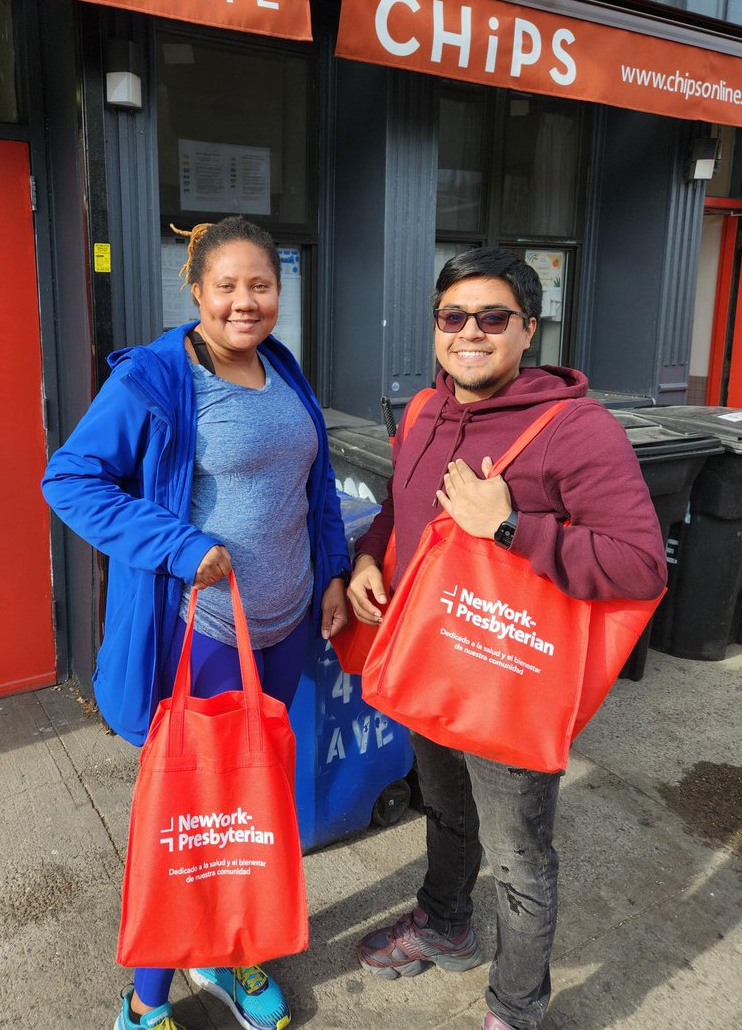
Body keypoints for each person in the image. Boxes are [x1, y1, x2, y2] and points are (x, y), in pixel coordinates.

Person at [42, 217, 350, 1030]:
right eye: (228, 286)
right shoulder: (155, 377)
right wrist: (179, 545)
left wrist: (335, 573)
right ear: (196, 288)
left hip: (281, 633)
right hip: (205, 634)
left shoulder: (281, 367)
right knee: (189, 820)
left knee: (248, 808)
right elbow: (70, 479)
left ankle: (229, 946)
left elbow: (313, 488)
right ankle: (144, 1004)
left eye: (262, 285)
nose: (246, 302)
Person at [346, 247, 666, 1030]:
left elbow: (640, 563)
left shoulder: (573, 429)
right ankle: (445, 924)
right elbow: (402, 503)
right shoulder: (424, 410)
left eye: (494, 318)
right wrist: (365, 555)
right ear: (435, 330)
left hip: (506, 673)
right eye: (454, 317)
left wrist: (514, 527)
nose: (471, 333)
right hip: (431, 661)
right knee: (447, 811)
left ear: (529, 329)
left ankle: (517, 1009)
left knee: (521, 859)